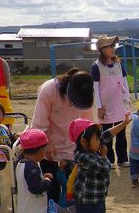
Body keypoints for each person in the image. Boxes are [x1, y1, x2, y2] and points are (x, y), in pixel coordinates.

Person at [70, 114, 131, 213]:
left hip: (98, 198)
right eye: (96, 140)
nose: (100, 142)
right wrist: (104, 155)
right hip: (87, 201)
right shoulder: (82, 156)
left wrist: (123, 123)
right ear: (83, 141)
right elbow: (104, 167)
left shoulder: (92, 145)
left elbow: (107, 134)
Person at [31, 68, 95, 202]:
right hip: (50, 145)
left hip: (73, 147)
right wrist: (46, 143)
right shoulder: (49, 90)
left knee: (73, 188)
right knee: (51, 189)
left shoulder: (86, 94)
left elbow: (88, 124)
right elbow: (39, 123)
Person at [91, 35, 131, 167]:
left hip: (119, 104)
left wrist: (126, 100)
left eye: (113, 46)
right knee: (106, 135)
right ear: (102, 49)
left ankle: (122, 159)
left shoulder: (119, 64)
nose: (113, 49)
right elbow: (95, 88)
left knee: (121, 132)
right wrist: (99, 107)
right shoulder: (96, 66)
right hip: (106, 106)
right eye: (110, 46)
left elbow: (124, 81)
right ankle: (108, 159)